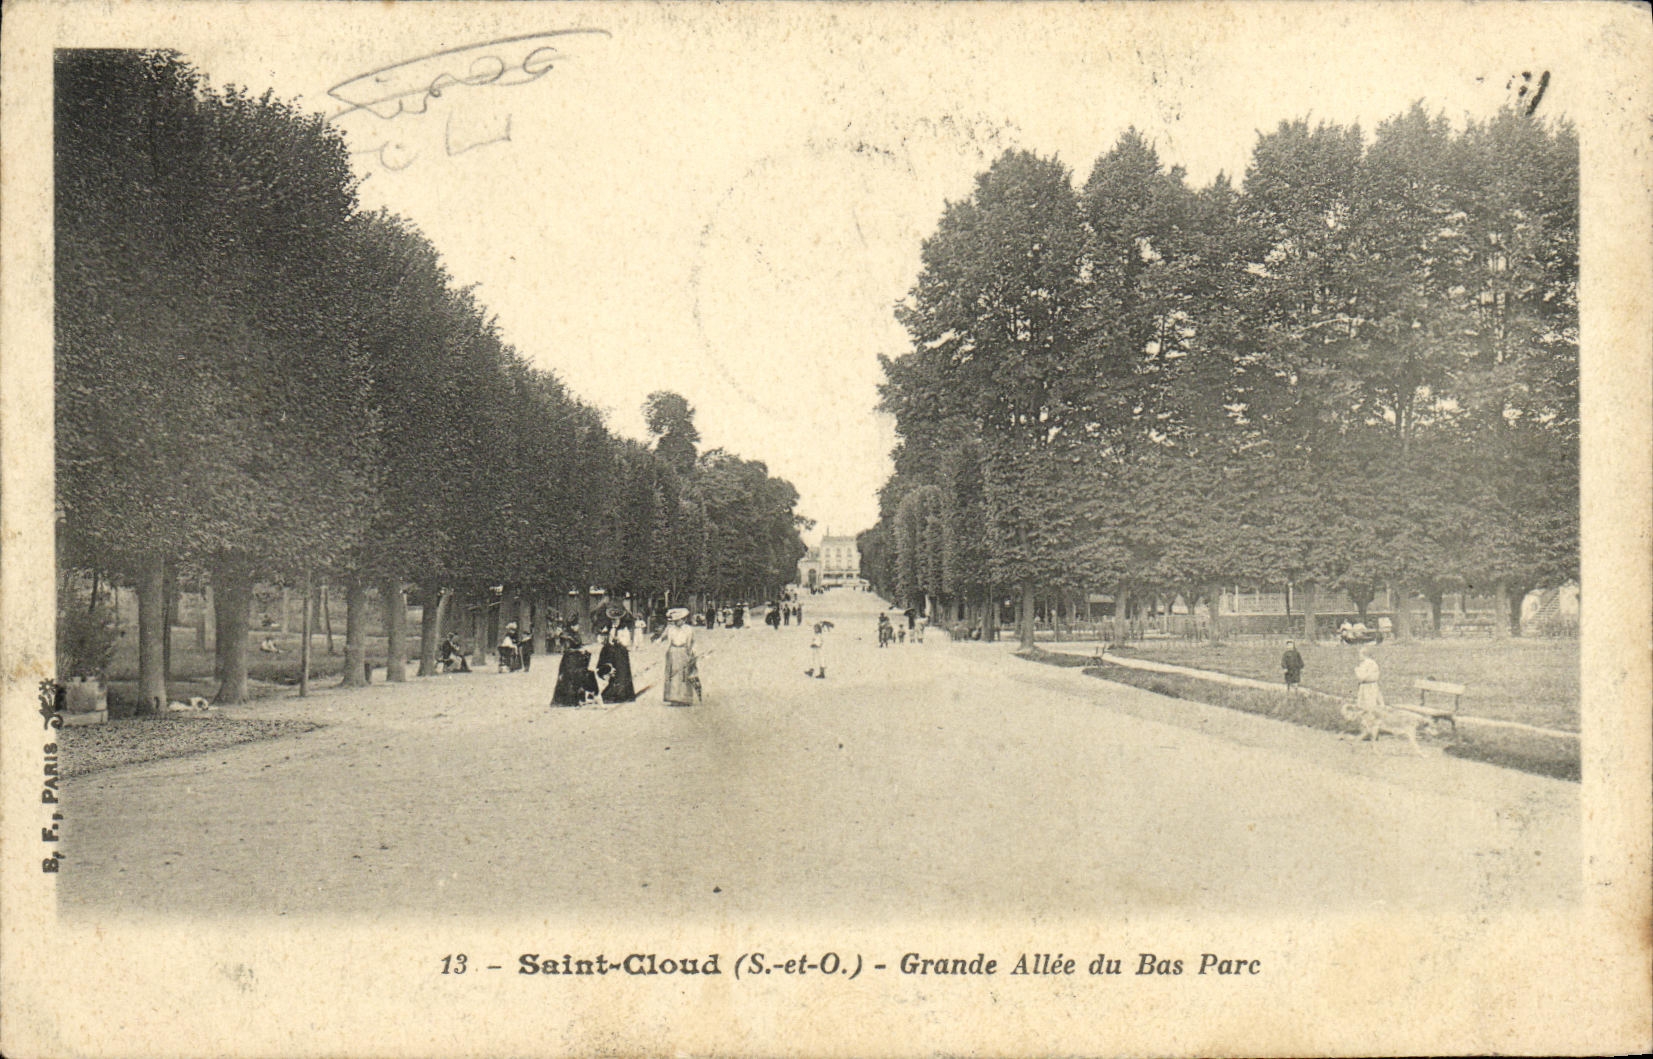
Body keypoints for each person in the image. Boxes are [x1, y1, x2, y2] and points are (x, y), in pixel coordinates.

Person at [663, 607, 699, 706]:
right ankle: (673, 698)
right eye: (674, 621)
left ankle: (684, 699)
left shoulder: (688, 629)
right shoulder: (671, 629)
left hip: (684, 652)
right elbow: (666, 639)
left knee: (684, 675)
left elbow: (693, 642)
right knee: (673, 675)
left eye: (678, 620)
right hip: (673, 652)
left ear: (684, 620)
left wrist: (692, 653)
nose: (676, 622)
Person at [552, 638, 599, 706]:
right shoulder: (571, 654)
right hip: (571, 675)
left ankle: (585, 697)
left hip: (574, 674)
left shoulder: (574, 654)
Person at [597, 625, 637, 703]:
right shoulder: (609, 629)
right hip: (613, 653)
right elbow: (602, 639)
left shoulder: (624, 630)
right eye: (613, 620)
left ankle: (623, 693)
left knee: (622, 673)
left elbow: (627, 642)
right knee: (614, 673)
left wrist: (619, 640)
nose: (615, 622)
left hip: (621, 653)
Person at [1353, 645, 1383, 710]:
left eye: (1360, 654)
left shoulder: (1367, 663)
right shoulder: (1370, 662)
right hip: (1371, 684)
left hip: (1368, 686)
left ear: (1364, 654)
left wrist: (1357, 670)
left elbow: (1362, 676)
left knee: (1368, 704)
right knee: (1371, 702)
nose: (1359, 656)